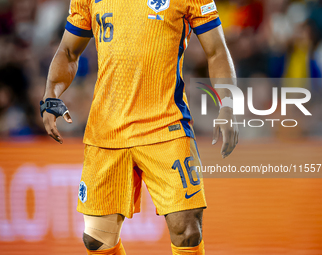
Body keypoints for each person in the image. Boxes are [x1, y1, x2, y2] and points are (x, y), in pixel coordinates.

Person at [41, 0, 238, 254]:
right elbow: (68, 51)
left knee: (187, 230)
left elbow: (217, 51)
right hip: (107, 130)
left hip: (166, 125)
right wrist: (50, 96)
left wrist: (228, 105)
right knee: (97, 241)